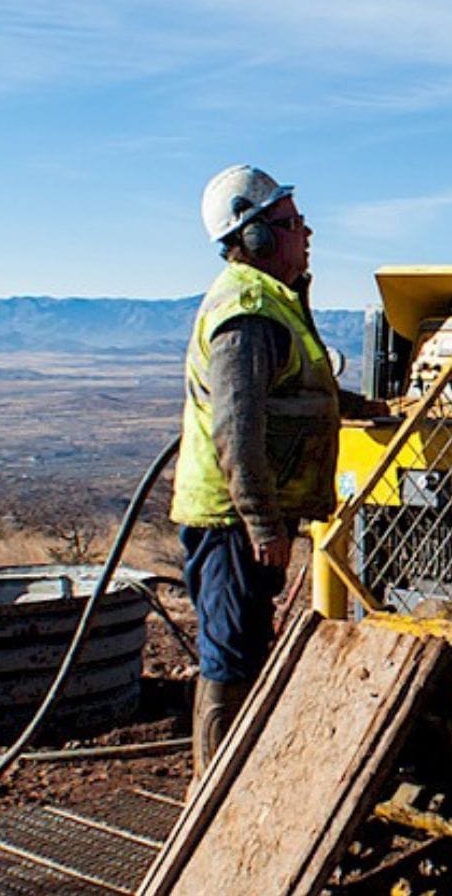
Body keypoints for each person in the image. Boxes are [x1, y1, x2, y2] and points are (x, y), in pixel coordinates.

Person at [168, 163, 383, 775]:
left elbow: (288, 392)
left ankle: (238, 779)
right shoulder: (250, 311)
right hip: (230, 518)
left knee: (243, 644)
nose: (307, 231)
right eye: (292, 223)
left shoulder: (274, 303)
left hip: (241, 515)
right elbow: (238, 424)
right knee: (231, 656)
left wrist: (360, 408)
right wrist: (262, 523)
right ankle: (217, 796)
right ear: (257, 237)